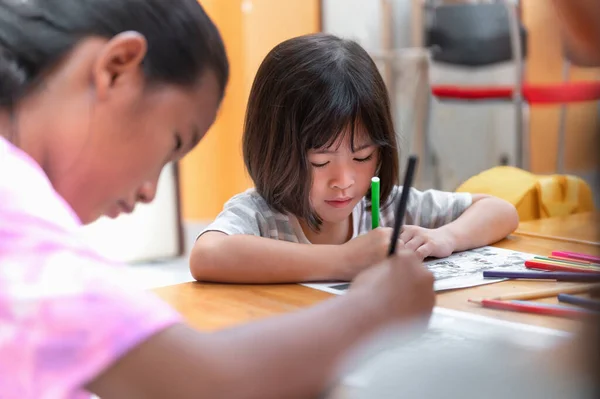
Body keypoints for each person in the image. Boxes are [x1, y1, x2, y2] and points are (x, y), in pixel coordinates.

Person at [0, 1, 435, 398]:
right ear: (116, 68)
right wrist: (375, 307)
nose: (150, 189)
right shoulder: (13, 208)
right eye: (172, 143)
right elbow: (206, 382)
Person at [190, 33, 519, 284]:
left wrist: (445, 237)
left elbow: (500, 211)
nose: (344, 180)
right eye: (321, 162)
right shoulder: (262, 215)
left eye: (362, 156)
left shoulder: (385, 205)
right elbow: (207, 255)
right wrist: (344, 260)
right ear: (274, 149)